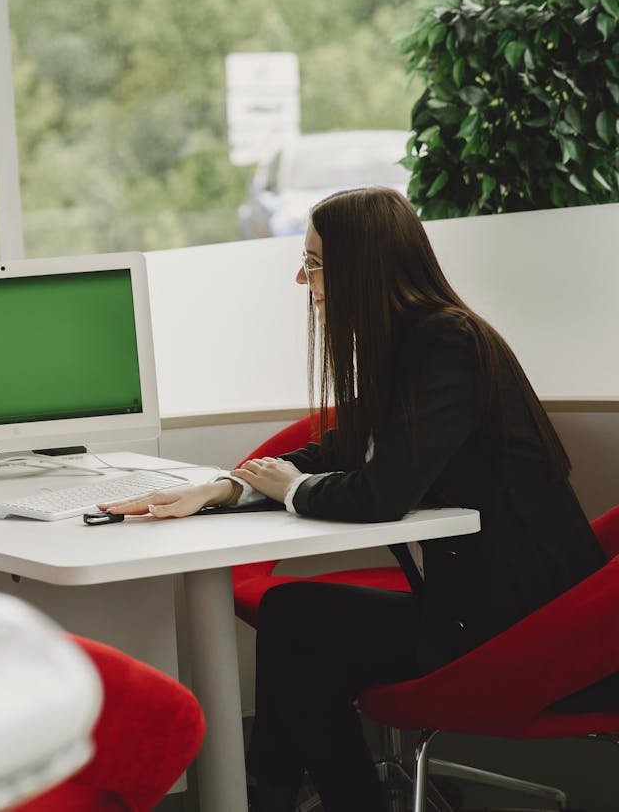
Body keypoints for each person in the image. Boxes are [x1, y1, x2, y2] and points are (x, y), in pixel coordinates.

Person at [100, 186, 611, 811]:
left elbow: (381, 493)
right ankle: (279, 798)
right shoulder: (416, 343)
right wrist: (223, 487)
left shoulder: (446, 343)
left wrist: (290, 490)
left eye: (313, 263)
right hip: (481, 600)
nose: (300, 278)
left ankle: (278, 797)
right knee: (301, 633)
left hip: (527, 624)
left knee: (297, 627)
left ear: (359, 267)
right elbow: (343, 448)